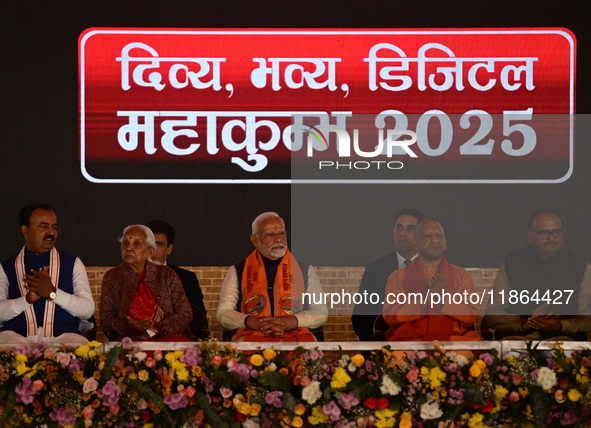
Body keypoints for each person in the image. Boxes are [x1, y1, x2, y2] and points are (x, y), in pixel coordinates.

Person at [216, 212, 328, 341]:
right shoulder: (238, 270)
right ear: (255, 240)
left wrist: (292, 321)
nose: (278, 239)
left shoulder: (305, 269)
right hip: (252, 333)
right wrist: (251, 321)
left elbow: (320, 311)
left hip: (295, 332)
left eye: (281, 233)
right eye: (269, 234)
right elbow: (223, 313)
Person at [484, 209, 591, 340]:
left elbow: (587, 319)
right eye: (544, 232)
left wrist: (561, 325)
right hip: (519, 337)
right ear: (530, 235)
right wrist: (523, 324)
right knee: (511, 349)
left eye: (556, 232)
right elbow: (492, 313)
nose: (551, 238)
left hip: (563, 338)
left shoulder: (580, 265)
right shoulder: (512, 262)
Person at [0, 203, 95, 344]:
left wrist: (52, 293)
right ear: (25, 230)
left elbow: (87, 310)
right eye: (44, 227)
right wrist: (27, 300)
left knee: (81, 349)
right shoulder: (6, 266)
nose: (51, 232)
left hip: (64, 339)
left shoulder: (72, 263)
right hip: (16, 340)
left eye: (54, 227)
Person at [382, 219, 481, 341]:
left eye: (439, 235)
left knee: (464, 357)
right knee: (398, 358)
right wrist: (424, 301)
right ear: (416, 244)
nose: (434, 240)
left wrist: (443, 298)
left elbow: (471, 315)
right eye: (427, 235)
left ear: (445, 243)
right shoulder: (397, 277)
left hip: (453, 341)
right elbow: (390, 316)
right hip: (411, 342)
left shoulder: (461, 275)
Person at [100, 225, 193, 341]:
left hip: (167, 336)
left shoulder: (166, 274)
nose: (129, 248)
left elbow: (185, 312)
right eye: (125, 243)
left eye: (137, 244)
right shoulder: (112, 277)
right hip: (130, 339)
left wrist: (158, 328)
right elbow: (106, 319)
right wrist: (129, 326)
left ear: (150, 252)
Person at [352, 209, 424, 341]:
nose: (402, 233)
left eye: (410, 229)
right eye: (399, 227)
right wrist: (379, 347)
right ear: (393, 231)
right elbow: (360, 318)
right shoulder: (375, 270)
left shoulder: (435, 269)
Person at [146, 220, 209, 340]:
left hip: (178, 341)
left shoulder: (187, 279)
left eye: (158, 245)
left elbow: (197, 319)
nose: (152, 251)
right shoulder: (127, 277)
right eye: (149, 245)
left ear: (169, 248)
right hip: (138, 342)